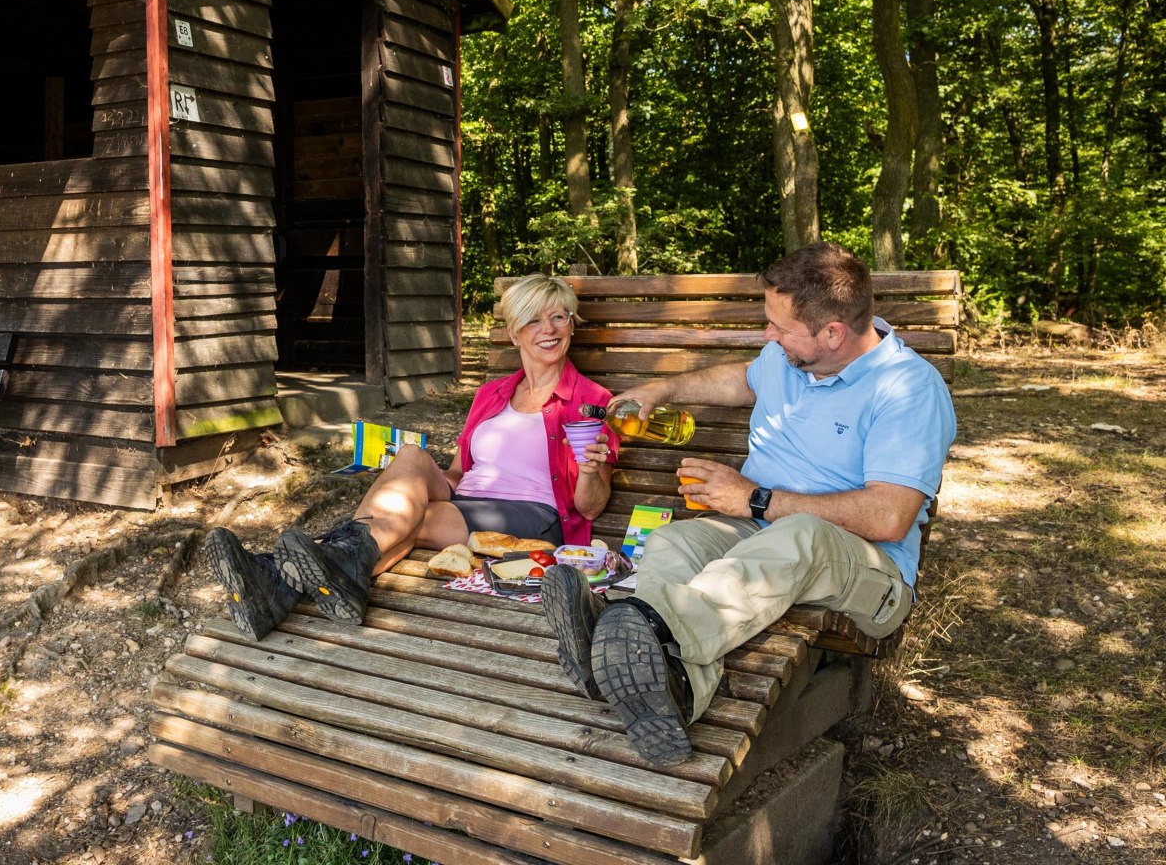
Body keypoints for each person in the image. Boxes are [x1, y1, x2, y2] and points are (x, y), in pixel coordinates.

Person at [541, 242, 956, 766]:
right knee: (676, 540)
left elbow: (889, 517)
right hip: (762, 534)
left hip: (868, 571)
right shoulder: (790, 358)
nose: (768, 336)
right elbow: (742, 377)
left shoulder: (907, 389)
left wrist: (753, 498)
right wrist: (663, 388)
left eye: (779, 328)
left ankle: (622, 633)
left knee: (799, 535)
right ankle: (672, 689)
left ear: (832, 331)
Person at [205, 273, 619, 640]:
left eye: (559, 317)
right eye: (533, 318)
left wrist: (590, 470)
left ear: (571, 325)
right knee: (409, 461)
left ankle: (273, 580)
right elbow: (459, 471)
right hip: (467, 501)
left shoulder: (592, 402)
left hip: (531, 515)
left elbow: (590, 506)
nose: (548, 329)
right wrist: (413, 487)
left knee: (408, 519)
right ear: (514, 334)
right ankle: (305, 586)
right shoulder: (491, 394)